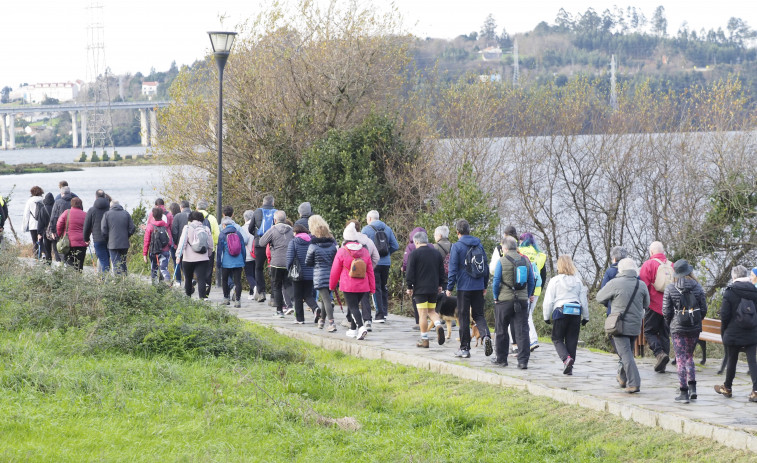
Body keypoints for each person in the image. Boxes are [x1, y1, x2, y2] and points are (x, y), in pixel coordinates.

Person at [596, 258, 650, 393]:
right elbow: (647, 304)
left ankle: (634, 383)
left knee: (625, 354)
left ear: (620, 270)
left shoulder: (615, 283)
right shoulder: (641, 284)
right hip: (635, 325)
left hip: (619, 325)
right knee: (627, 352)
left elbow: (599, 297)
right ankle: (623, 378)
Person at [446, 219, 493, 359]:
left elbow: (452, 268)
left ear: (458, 232)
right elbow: (485, 266)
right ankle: (485, 337)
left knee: (464, 316)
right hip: (478, 286)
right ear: (469, 231)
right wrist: (484, 285)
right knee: (479, 315)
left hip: (464, 288)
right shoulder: (479, 244)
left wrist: (449, 287)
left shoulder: (457, 246)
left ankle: (465, 348)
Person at [662, 259, 707, 404]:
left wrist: (671, 324)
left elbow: (666, 311)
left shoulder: (670, 288)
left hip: (678, 328)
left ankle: (683, 392)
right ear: (689, 271)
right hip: (694, 328)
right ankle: (693, 388)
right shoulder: (698, 287)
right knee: (689, 357)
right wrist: (696, 320)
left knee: (680, 359)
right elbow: (703, 309)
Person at [714, 265, 757, 402]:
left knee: (732, 359)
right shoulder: (754, 291)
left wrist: (724, 332)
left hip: (733, 332)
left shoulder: (730, 292)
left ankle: (727, 388)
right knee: (752, 361)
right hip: (752, 332)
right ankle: (756, 391)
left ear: (734, 277)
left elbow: (725, 316)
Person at [492, 236, 535, 368]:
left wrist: (495, 296)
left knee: (501, 329)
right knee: (522, 330)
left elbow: (496, 280)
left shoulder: (502, 260)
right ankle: (523, 361)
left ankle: (502, 359)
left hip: (504, 300)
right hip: (521, 300)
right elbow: (532, 281)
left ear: (505, 248)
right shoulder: (525, 260)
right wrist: (526, 296)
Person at [542, 255, 589, 375]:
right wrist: (586, 317)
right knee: (572, 340)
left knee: (557, 338)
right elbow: (583, 301)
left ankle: (566, 359)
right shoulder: (578, 281)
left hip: (561, 311)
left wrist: (546, 317)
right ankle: (569, 369)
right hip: (576, 313)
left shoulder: (555, 280)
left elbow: (549, 301)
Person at [330, 222, 375, 340]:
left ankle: (361, 328)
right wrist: (372, 287)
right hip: (363, 285)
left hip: (348, 285)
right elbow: (370, 271)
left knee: (353, 307)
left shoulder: (342, 251)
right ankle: (353, 330)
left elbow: (335, 270)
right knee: (354, 306)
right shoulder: (364, 251)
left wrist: (332, 285)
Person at [405, 230, 446, 348]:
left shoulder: (414, 254)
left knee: (422, 314)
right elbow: (441, 271)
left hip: (420, 290)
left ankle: (425, 340)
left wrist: (409, 286)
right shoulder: (436, 253)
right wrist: (440, 285)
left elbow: (410, 272)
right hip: (433, 288)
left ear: (417, 242)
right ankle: (438, 325)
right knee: (432, 311)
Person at [639, 241, 675, 373]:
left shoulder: (648, 264)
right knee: (665, 334)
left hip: (653, 304)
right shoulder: (672, 265)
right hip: (669, 306)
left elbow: (643, 286)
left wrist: (643, 303)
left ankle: (660, 354)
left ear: (652, 252)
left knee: (649, 332)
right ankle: (663, 364)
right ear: (663, 251)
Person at [361, 210, 399, 323]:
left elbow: (362, 247)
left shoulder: (366, 230)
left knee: (375, 287)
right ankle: (385, 312)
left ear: (369, 219)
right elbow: (395, 246)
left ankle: (379, 315)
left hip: (373, 263)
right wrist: (387, 253)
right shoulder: (387, 228)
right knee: (383, 286)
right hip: (386, 263)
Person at [306, 215, 338, 331]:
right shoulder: (333, 245)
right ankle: (322, 321)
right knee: (325, 299)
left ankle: (331, 322)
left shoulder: (313, 245)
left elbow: (308, 262)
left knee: (326, 299)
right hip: (332, 274)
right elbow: (336, 260)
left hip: (320, 274)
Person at [259, 210, 294, 317]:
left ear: (275, 220)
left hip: (276, 262)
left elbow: (261, 242)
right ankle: (293, 305)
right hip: (288, 262)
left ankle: (279, 311)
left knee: (277, 286)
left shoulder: (272, 230)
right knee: (288, 285)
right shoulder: (291, 230)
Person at [346, 219, 380, 329]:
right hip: (364, 274)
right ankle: (367, 320)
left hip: (350, 275)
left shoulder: (346, 241)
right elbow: (376, 257)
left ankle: (352, 320)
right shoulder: (368, 241)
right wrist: (367, 267)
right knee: (365, 297)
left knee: (351, 299)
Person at [518, 232, 547, 352]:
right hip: (537, 289)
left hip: (523, 287)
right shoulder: (540, 255)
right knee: (528, 314)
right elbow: (543, 275)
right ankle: (526, 340)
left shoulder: (519, 251)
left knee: (526, 315)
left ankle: (532, 340)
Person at [175, 211, 213, 299]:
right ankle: (202, 300)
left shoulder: (187, 228)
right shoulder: (206, 228)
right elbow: (210, 244)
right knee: (201, 279)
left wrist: (178, 256)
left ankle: (188, 299)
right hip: (203, 258)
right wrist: (208, 254)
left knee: (188, 279)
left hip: (188, 259)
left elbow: (182, 243)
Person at [287, 223, 319, 324]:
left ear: (296, 232)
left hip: (298, 273)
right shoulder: (312, 242)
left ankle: (299, 319)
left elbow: (289, 258)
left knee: (297, 296)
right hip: (310, 273)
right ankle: (316, 308)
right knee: (308, 295)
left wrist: (289, 269)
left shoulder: (293, 242)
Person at [247, 195, 277, 302]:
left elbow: (250, 228)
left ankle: (261, 292)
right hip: (273, 245)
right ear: (273, 203)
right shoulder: (276, 212)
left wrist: (257, 235)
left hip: (259, 244)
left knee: (258, 268)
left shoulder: (257, 212)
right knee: (273, 268)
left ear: (263, 202)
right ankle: (274, 295)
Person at [218, 214, 246, 308]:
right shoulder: (238, 233)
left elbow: (219, 251)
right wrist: (244, 260)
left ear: (224, 225)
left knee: (225, 280)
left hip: (226, 261)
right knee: (238, 281)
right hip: (238, 260)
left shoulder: (222, 234)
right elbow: (243, 248)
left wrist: (218, 262)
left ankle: (226, 299)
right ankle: (237, 301)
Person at [101, 200, 136, 275]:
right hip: (124, 243)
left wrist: (108, 239)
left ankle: (118, 282)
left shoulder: (107, 214)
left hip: (112, 244)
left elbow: (103, 230)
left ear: (111, 206)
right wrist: (127, 235)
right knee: (123, 263)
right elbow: (132, 228)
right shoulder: (126, 213)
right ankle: (124, 281)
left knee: (116, 264)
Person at [402, 226, 427, 329]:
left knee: (416, 300)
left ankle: (419, 322)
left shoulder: (410, 247)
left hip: (417, 278)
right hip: (429, 277)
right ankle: (433, 322)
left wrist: (404, 269)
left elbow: (406, 262)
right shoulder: (430, 246)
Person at [56, 197, 88, 271]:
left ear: (71, 204)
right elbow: (89, 228)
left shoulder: (67, 212)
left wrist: (60, 235)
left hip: (68, 243)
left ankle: (70, 278)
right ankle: (78, 278)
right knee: (79, 264)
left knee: (69, 263)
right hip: (82, 243)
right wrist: (87, 239)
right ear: (81, 205)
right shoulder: (85, 215)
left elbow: (59, 224)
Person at [83, 190, 111, 273]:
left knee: (103, 259)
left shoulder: (92, 210)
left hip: (98, 239)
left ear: (96, 197)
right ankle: (106, 278)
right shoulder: (110, 209)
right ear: (105, 196)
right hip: (110, 238)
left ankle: (105, 280)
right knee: (107, 259)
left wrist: (86, 239)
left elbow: (86, 226)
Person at [143, 207, 173, 284]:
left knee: (154, 269)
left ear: (153, 216)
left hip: (154, 251)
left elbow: (146, 241)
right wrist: (169, 247)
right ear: (162, 215)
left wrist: (145, 254)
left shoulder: (150, 227)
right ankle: (166, 281)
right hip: (165, 251)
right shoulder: (165, 226)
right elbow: (169, 238)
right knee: (163, 268)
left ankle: (155, 288)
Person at [196, 200, 220, 294]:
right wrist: (213, 245)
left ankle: (200, 290)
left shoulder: (193, 218)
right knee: (208, 271)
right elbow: (217, 234)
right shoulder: (212, 218)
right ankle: (206, 293)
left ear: (197, 208)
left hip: (196, 249)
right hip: (210, 249)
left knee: (198, 270)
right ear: (206, 208)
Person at [49, 185, 74, 262]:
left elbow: (54, 217)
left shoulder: (58, 202)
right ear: (70, 193)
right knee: (71, 250)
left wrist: (52, 230)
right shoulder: (74, 202)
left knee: (61, 248)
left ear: (62, 193)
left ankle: (62, 266)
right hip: (72, 229)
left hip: (60, 229)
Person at [171, 200, 192, 286]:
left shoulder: (178, 216)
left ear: (181, 207)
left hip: (180, 243)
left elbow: (174, 231)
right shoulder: (194, 214)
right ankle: (189, 280)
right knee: (189, 263)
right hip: (192, 245)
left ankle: (178, 281)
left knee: (177, 262)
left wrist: (176, 243)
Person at [22, 186, 45, 257]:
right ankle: (44, 255)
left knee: (35, 241)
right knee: (42, 241)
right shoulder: (44, 200)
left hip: (33, 225)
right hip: (43, 224)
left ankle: (36, 257)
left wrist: (24, 227)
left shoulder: (30, 201)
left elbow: (26, 215)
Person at [240, 209, 257, 300]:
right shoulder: (257, 227)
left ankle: (255, 287)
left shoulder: (242, 228)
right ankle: (251, 293)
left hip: (247, 255)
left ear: (245, 218)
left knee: (249, 275)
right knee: (255, 273)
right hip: (257, 254)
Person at [35, 193, 55, 262]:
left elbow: (40, 222)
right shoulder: (55, 208)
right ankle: (59, 264)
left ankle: (48, 263)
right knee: (55, 249)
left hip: (45, 232)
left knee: (47, 249)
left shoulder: (43, 209)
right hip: (54, 232)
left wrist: (39, 233)